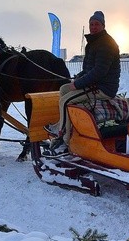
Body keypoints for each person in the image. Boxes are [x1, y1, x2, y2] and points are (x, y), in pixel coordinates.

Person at [46, 11, 121, 153]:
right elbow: (89, 69)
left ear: (103, 26)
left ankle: (63, 138)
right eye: (91, 24)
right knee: (64, 89)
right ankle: (64, 124)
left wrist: (78, 84)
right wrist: (77, 78)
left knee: (65, 101)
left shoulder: (105, 44)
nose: (93, 27)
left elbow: (99, 72)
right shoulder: (94, 42)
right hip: (96, 84)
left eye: (97, 24)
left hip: (104, 88)